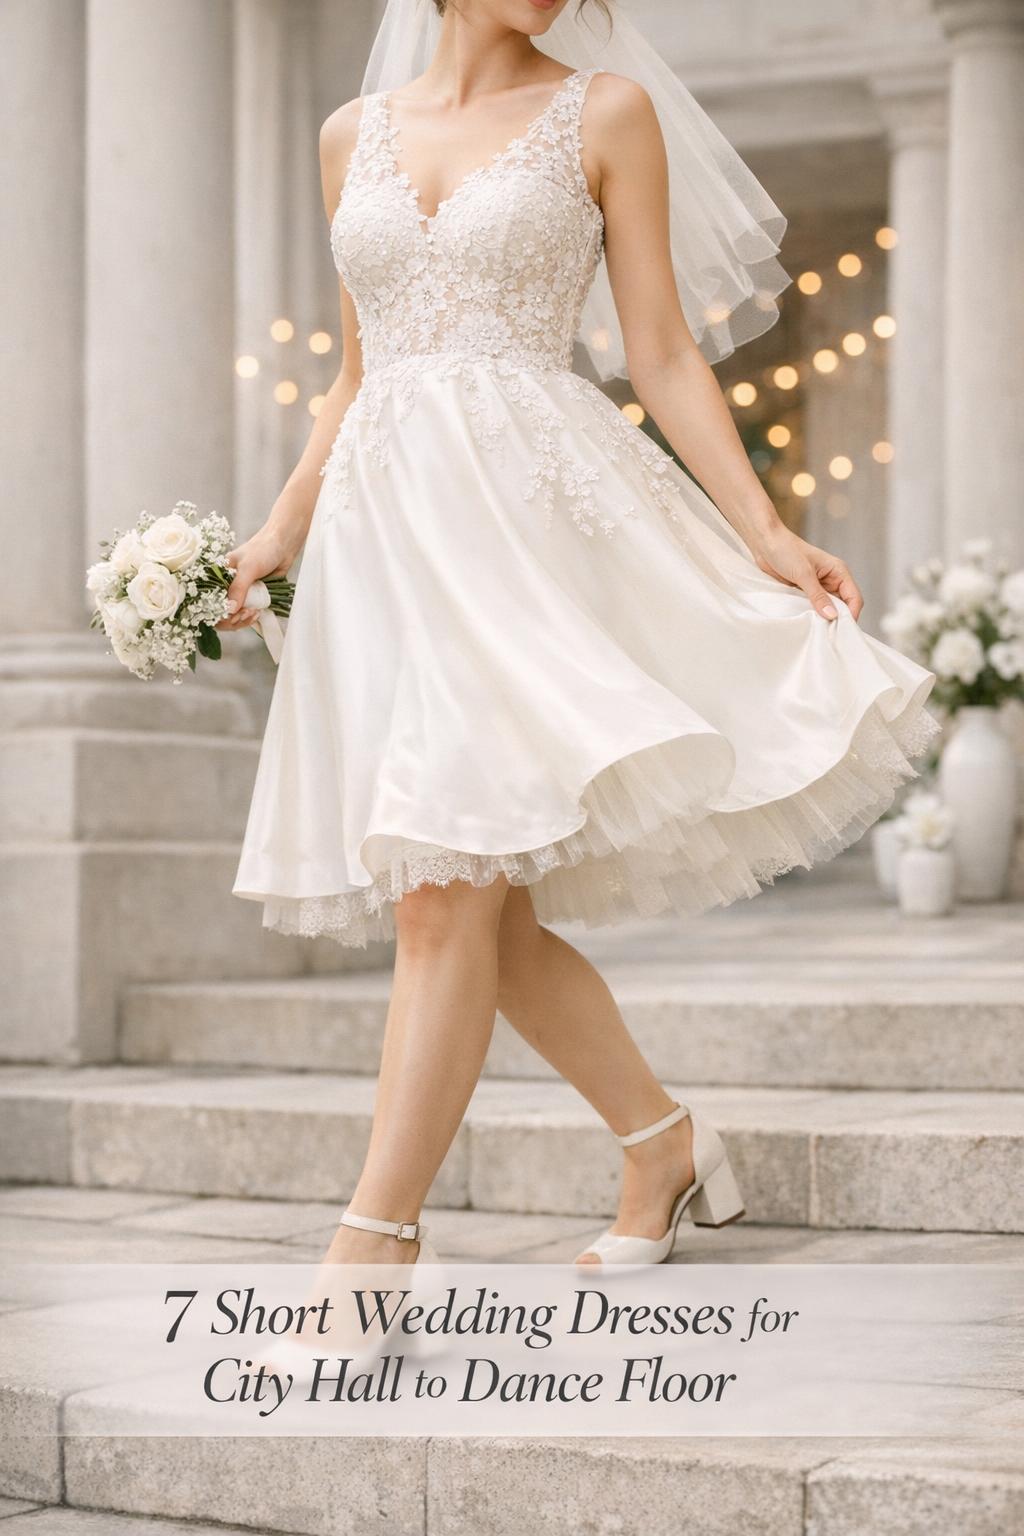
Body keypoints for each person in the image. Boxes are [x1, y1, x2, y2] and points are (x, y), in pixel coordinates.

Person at [221, 0, 938, 1269]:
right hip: (386, 547)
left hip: (525, 533)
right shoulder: (349, 134)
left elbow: (660, 354)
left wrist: (766, 534)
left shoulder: (605, 110)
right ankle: (660, 1144)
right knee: (475, 914)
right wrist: (281, 528)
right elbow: (355, 372)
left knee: (447, 898)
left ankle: (371, 1245)